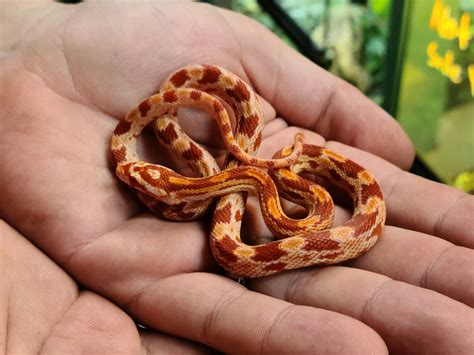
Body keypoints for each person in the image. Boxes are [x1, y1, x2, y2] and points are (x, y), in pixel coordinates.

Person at [1, 1, 473, 353]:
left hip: (271, 188)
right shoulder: (222, 180)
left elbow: (242, 191)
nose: (129, 174)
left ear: (166, 175)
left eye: (140, 177)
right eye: (140, 178)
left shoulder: (258, 193)